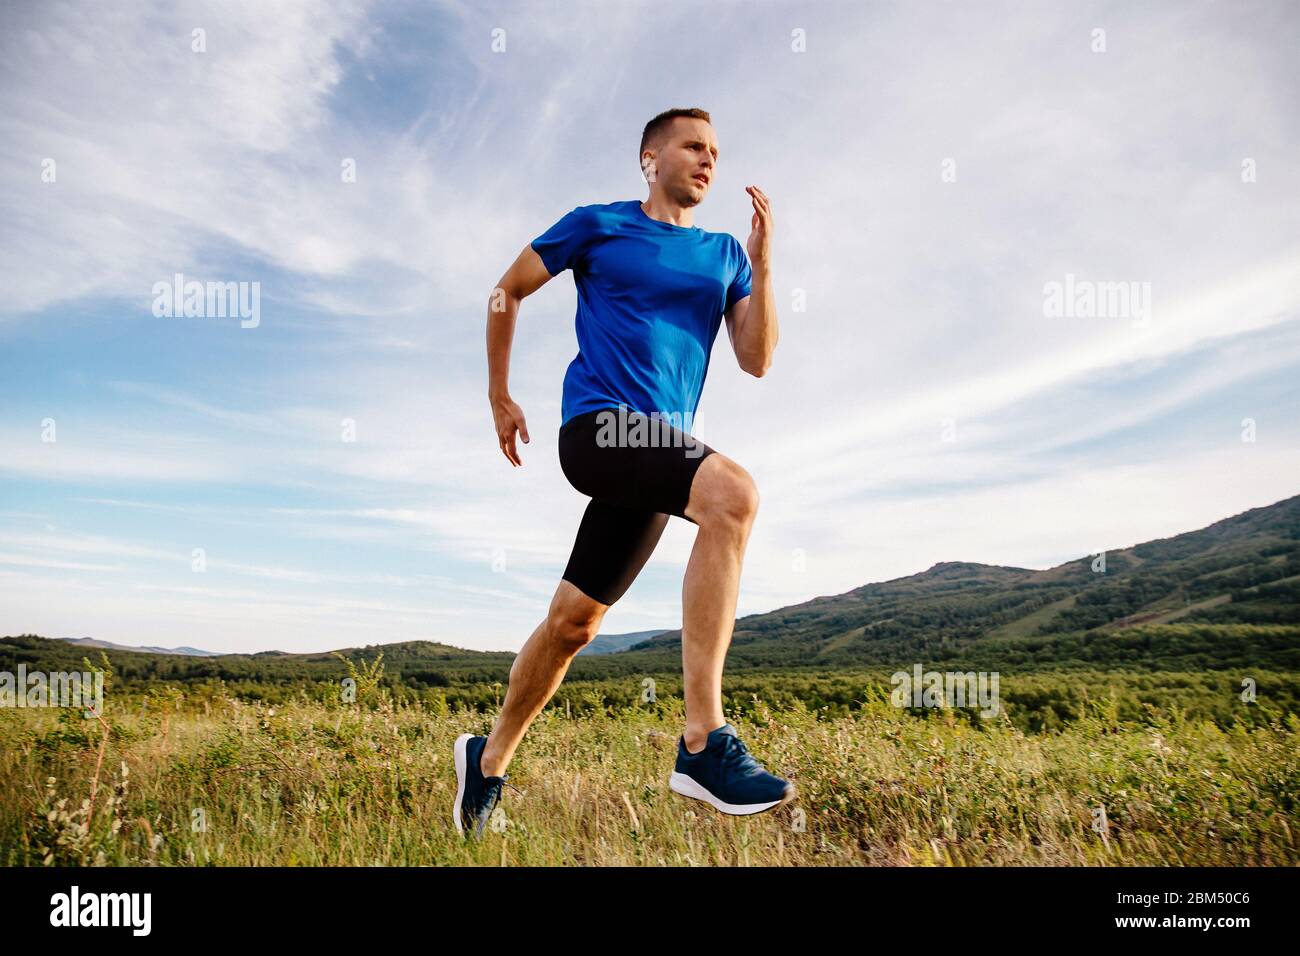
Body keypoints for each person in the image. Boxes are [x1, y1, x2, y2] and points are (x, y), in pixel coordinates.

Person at [454, 107, 792, 838]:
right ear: (651, 157)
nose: (708, 161)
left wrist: (763, 266)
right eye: (693, 147)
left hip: (657, 452)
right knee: (733, 496)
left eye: (716, 152)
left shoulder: (725, 253)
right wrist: (498, 393)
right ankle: (703, 741)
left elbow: (757, 359)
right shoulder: (598, 225)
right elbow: (503, 290)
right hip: (599, 427)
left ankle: (487, 761)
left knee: (574, 624)